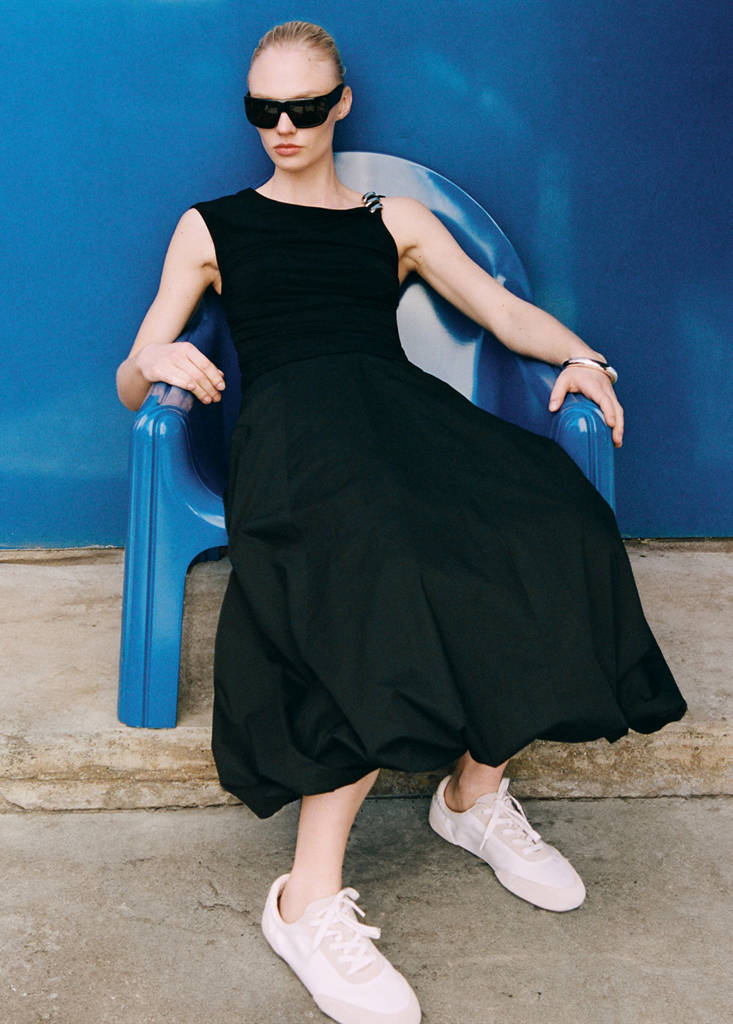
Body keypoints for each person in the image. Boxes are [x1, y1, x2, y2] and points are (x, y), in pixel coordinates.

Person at [116, 20, 688, 1024]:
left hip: (400, 417)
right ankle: (305, 900)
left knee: (556, 517)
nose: (284, 127)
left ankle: (472, 794)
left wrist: (581, 357)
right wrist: (150, 363)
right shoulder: (209, 227)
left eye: (304, 108)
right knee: (369, 568)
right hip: (295, 435)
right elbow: (133, 376)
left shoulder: (396, 221)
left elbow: (501, 313)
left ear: (340, 104)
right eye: (263, 110)